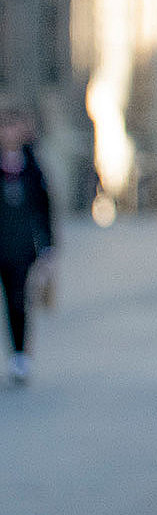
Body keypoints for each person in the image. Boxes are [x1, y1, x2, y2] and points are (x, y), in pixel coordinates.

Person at [0, 108, 54, 384]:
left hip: (20, 248)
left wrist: (47, 248)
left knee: (18, 301)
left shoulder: (31, 167)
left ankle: (20, 355)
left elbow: (44, 209)